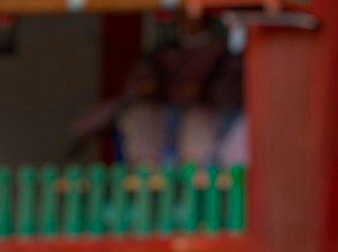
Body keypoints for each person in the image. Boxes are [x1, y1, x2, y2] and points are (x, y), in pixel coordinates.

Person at [68, 16, 247, 167]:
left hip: (210, 165)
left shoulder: (228, 65)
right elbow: (81, 127)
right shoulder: (145, 103)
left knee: (197, 118)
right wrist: (132, 96)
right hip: (153, 173)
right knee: (141, 115)